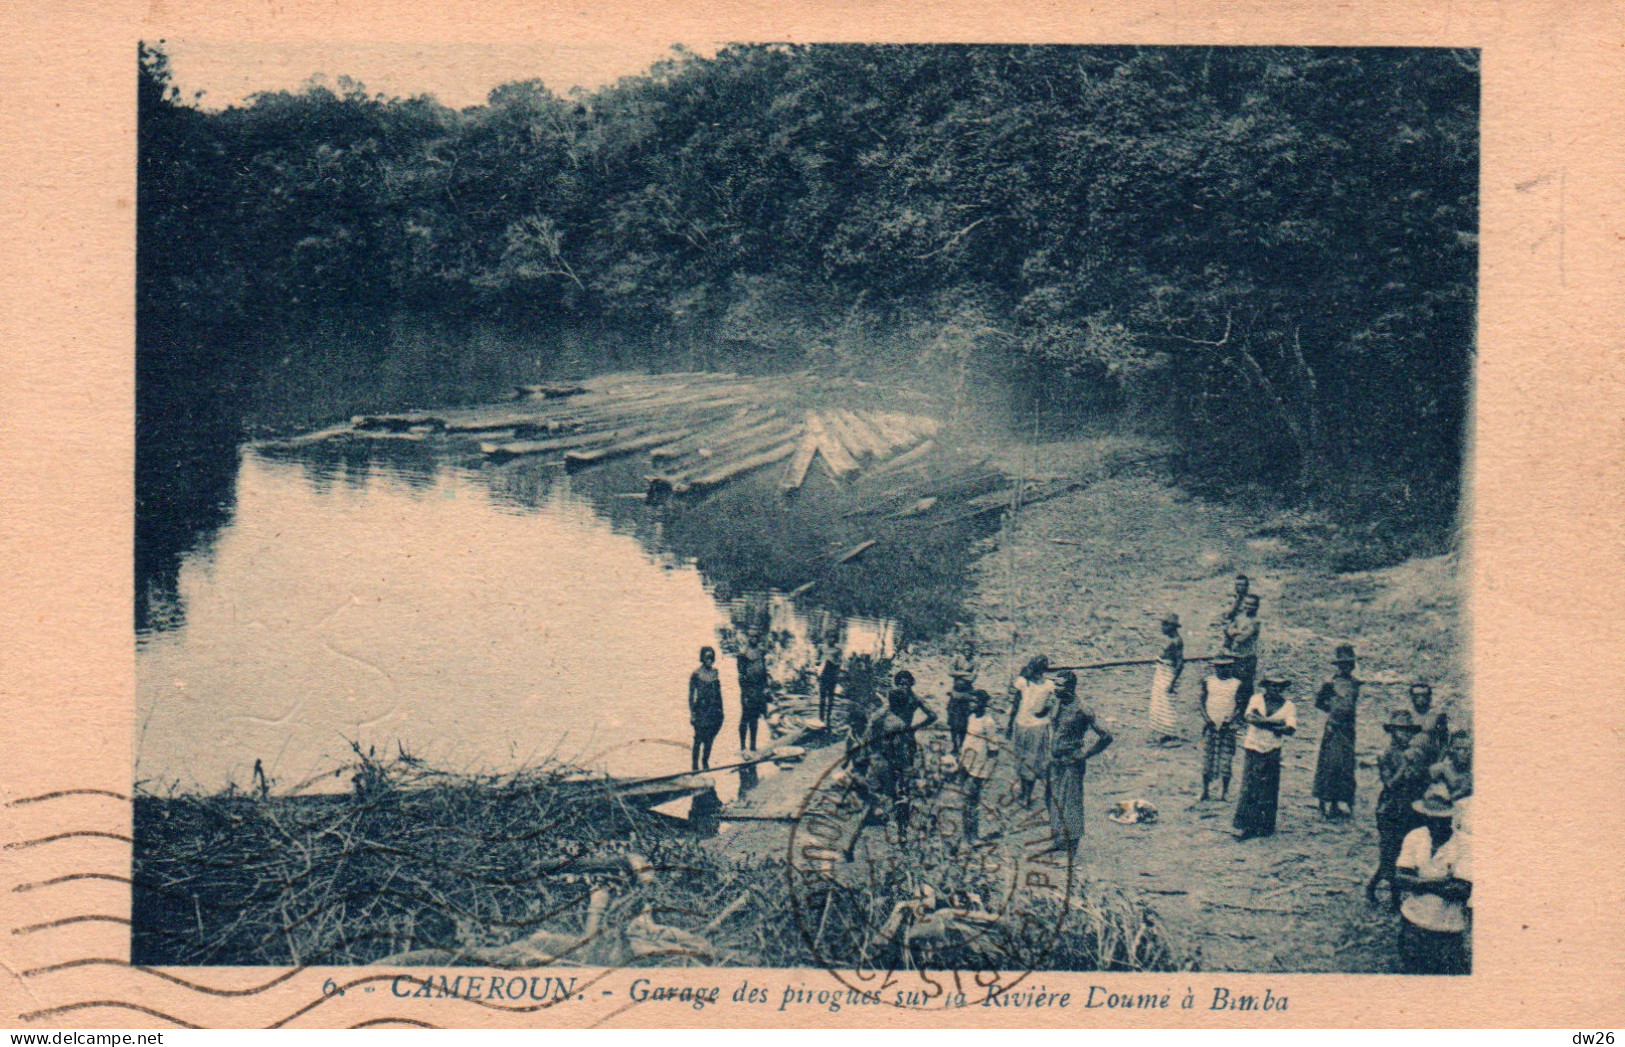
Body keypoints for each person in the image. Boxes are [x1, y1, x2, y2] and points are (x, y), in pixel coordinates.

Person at [1395, 783, 1472, 974]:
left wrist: (1419, 883)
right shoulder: (1415, 836)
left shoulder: (1465, 845)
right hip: (1413, 922)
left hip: (1447, 930)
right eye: (1430, 818)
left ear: (1451, 818)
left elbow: (1461, 891)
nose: (1435, 824)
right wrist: (1442, 882)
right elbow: (1400, 878)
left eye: (1441, 819)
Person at [1045, 670, 1113, 857]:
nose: (1056, 689)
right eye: (1055, 685)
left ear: (1071, 687)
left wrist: (1085, 754)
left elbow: (1106, 736)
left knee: (1072, 804)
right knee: (1055, 800)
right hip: (1056, 761)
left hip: (1072, 762)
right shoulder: (1055, 703)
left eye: (1060, 686)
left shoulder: (1083, 709)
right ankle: (1059, 841)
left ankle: (1072, 852)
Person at [1368, 709, 1430, 907]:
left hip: (1411, 807)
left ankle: (1399, 892)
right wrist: (1404, 766)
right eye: (1400, 731)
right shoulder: (1385, 755)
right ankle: (1383, 889)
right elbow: (1390, 784)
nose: (1405, 735)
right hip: (1391, 808)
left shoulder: (1415, 754)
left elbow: (1422, 780)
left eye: (1408, 732)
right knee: (1389, 851)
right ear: (1392, 732)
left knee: (1407, 850)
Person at [1233, 676, 1296, 840]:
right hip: (1253, 747)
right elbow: (1249, 718)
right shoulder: (1256, 699)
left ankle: (1266, 825)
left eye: (1278, 687)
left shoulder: (1289, 706)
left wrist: (1264, 722)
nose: (1275, 689)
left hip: (1273, 749)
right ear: (1266, 687)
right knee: (1250, 786)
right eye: (1272, 686)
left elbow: (1290, 729)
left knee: (1269, 786)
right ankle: (1246, 825)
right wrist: (1275, 725)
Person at [1312, 643, 1362, 819]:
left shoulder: (1356, 684)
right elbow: (1319, 702)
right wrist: (1333, 711)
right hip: (1333, 729)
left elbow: (1351, 705)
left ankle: (1336, 804)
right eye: (1342, 664)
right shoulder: (1330, 683)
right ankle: (1322, 805)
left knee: (1345, 766)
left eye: (1348, 664)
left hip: (1348, 730)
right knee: (1329, 764)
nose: (1345, 667)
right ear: (1338, 666)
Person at [1006, 655, 1057, 806]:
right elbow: (1016, 703)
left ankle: (1026, 794)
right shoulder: (1023, 682)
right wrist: (1009, 725)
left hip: (1035, 726)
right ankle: (1025, 792)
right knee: (1025, 759)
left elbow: (1054, 704)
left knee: (1031, 761)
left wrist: (1045, 710)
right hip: (1025, 724)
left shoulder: (1049, 686)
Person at [1197, 654, 1245, 800]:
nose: (1223, 670)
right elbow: (1201, 702)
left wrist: (1230, 719)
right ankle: (1205, 791)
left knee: (1226, 760)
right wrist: (1207, 720)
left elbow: (1240, 705)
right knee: (1207, 759)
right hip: (1210, 725)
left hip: (1227, 727)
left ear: (1232, 667)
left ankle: (1224, 792)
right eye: (1220, 667)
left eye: (1227, 667)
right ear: (1215, 667)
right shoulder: (1208, 682)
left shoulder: (1237, 684)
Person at [957, 689, 999, 843]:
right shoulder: (972, 718)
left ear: (983, 703)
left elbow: (993, 749)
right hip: (966, 763)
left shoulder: (989, 722)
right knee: (965, 801)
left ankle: (973, 836)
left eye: (976, 701)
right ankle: (966, 834)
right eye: (971, 701)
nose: (972, 704)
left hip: (978, 767)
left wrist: (986, 770)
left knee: (973, 801)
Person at [687, 646, 726, 771]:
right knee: (698, 739)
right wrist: (692, 713)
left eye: (711, 658)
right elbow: (691, 696)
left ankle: (705, 762)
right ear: (702, 658)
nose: (709, 660)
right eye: (707, 658)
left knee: (709, 739)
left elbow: (718, 693)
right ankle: (694, 766)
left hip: (713, 710)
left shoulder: (715, 673)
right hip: (701, 710)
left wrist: (721, 710)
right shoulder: (696, 674)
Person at [1149, 613, 1185, 745]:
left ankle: (1171, 734)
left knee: (1167, 704)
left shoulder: (1176, 641)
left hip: (1168, 673)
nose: (1162, 627)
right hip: (1162, 671)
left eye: (1165, 624)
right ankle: (1163, 733)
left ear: (1172, 627)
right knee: (1159, 702)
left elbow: (1180, 663)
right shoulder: (1170, 639)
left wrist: (1172, 683)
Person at [1223, 594, 1262, 704]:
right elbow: (1227, 629)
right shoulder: (1239, 617)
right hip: (1235, 656)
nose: (1248, 607)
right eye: (1246, 603)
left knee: (1245, 686)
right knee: (1233, 684)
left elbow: (1242, 638)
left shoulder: (1255, 621)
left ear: (1257, 607)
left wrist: (1234, 632)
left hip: (1247, 658)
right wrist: (1235, 632)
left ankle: (1245, 712)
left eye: (1252, 605)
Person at [736, 630, 770, 752]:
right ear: (748, 638)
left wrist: (766, 688)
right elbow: (741, 675)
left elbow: (764, 671)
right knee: (745, 717)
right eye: (751, 637)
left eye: (756, 637)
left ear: (758, 638)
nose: (753, 639)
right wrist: (744, 692)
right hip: (748, 689)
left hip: (758, 689)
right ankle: (742, 746)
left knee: (755, 718)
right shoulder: (743, 654)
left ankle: (753, 746)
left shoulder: (761, 652)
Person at [1408, 681, 1450, 764]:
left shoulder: (1438, 716)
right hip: (1409, 758)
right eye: (1417, 695)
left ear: (1429, 697)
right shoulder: (1407, 715)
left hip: (1430, 757)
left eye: (1424, 695)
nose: (1420, 698)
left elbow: (1444, 743)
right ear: (1412, 697)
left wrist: (1438, 762)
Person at [1431, 729, 1473, 800]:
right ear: (1451, 749)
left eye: (1467, 749)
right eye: (1458, 748)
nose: (1462, 752)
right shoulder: (1442, 768)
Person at [946, 676, 975, 754]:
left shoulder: (969, 693)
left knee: (963, 728)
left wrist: (959, 674)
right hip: (954, 708)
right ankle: (955, 746)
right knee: (953, 727)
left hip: (963, 709)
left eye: (963, 681)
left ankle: (962, 746)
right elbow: (951, 672)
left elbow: (972, 677)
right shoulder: (953, 691)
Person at [817, 639, 842, 726]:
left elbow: (819, 663)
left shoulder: (830, 651)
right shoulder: (832, 651)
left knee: (826, 698)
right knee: (825, 698)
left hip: (828, 677)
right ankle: (824, 719)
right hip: (828, 677)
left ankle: (825, 718)